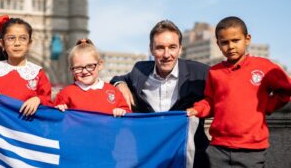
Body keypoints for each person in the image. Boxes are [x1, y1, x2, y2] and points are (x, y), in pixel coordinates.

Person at [187, 16, 291, 168]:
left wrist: (266, 106)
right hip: (218, 148)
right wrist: (197, 109)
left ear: (247, 39)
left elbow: (286, 91)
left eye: (236, 40)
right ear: (218, 44)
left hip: (252, 149)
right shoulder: (215, 72)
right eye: (224, 42)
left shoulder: (264, 66)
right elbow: (210, 102)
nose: (230, 47)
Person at [110, 20, 210, 168]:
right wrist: (120, 84)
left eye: (172, 47)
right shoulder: (139, 70)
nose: (166, 54)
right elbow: (118, 78)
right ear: (151, 49)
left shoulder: (200, 72)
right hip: (151, 156)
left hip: (190, 157)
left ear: (180, 48)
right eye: (160, 48)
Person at [0, 15, 52, 116]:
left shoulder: (37, 73)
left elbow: (49, 103)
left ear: (29, 43)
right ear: (2, 43)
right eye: (11, 38)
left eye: (23, 38)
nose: (17, 43)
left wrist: (38, 100)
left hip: (25, 128)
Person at [54, 39, 131, 117]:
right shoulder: (65, 93)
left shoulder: (114, 91)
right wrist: (59, 110)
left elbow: (128, 115)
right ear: (72, 70)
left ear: (100, 65)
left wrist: (121, 111)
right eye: (78, 68)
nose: (84, 71)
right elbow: (55, 118)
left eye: (90, 66)